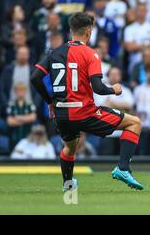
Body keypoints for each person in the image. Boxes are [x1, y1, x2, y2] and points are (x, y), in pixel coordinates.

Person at [30, 12, 144, 190]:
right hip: (84, 112)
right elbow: (98, 87)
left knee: (70, 147)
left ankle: (68, 184)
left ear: (70, 30)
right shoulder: (91, 54)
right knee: (134, 123)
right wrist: (113, 89)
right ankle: (123, 168)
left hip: (61, 114)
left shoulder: (54, 53)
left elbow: (35, 78)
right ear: (89, 32)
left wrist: (50, 101)